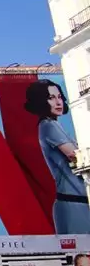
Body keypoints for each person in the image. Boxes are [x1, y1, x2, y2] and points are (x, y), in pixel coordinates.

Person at [25, 79, 90, 233]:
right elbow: (75, 156)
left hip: (79, 201)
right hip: (73, 204)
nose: (58, 102)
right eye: (51, 97)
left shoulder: (55, 124)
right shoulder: (48, 125)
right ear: (41, 101)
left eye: (59, 96)